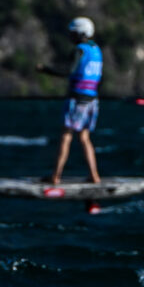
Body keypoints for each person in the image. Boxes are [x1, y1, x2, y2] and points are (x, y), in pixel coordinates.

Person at [37, 17, 102, 185]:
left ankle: (55, 177)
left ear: (80, 33)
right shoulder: (97, 50)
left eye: (72, 33)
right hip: (92, 100)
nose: (70, 36)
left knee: (66, 136)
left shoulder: (79, 50)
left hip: (77, 100)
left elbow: (68, 70)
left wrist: (45, 70)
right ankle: (94, 176)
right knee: (85, 138)